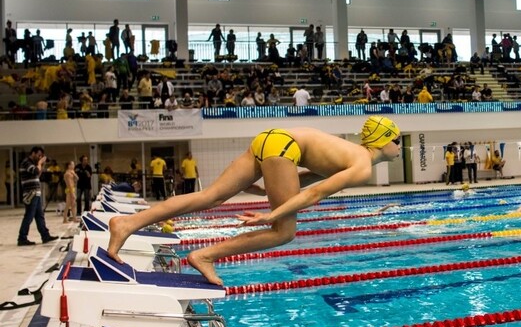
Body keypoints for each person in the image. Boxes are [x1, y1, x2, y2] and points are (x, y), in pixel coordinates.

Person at [107, 116, 402, 285]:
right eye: (398, 140)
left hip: (272, 139)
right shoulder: (362, 165)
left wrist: (269, 191)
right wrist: (271, 216)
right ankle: (205, 256)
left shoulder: (350, 154)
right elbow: (315, 194)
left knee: (210, 197)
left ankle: (127, 223)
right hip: (284, 147)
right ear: (384, 140)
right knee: (284, 233)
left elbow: (310, 178)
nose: (400, 146)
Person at [17, 146, 58, 246]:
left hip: (36, 193)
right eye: (38, 155)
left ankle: (45, 236)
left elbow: (37, 175)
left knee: (39, 216)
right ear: (33, 153)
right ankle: (22, 238)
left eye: (41, 156)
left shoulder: (33, 163)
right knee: (29, 216)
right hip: (30, 194)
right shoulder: (26, 162)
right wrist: (39, 163)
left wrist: (41, 164)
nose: (39, 157)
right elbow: (35, 171)